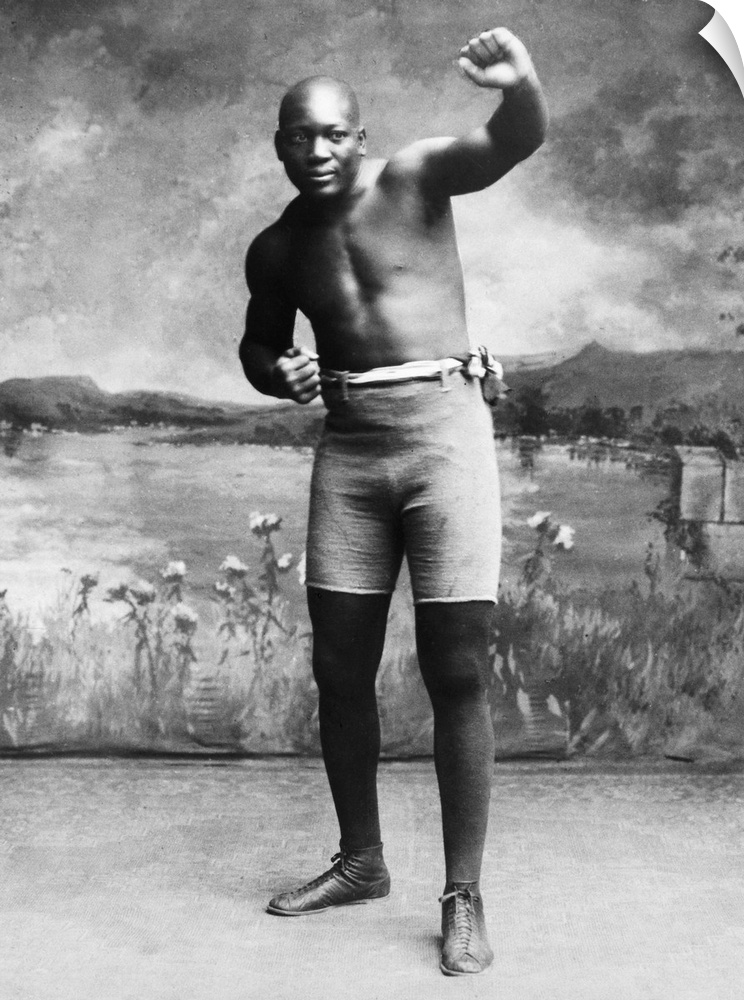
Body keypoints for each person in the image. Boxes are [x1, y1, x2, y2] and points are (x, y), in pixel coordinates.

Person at [239, 27, 548, 976]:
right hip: (352, 457)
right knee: (340, 669)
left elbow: (512, 141)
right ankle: (361, 860)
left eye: (334, 134)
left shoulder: (413, 179)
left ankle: (462, 895)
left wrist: (521, 83)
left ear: (362, 136)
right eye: (301, 137)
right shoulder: (278, 248)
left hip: (444, 443)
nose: (319, 151)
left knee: (455, 671)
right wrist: (274, 371)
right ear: (281, 144)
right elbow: (258, 345)